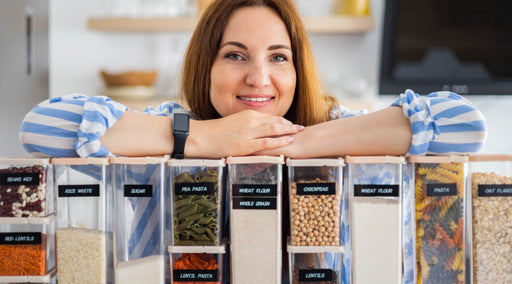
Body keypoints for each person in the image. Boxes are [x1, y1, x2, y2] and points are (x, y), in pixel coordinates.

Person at [19, 0, 487, 159]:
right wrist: (201, 138)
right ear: (206, 66)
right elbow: (40, 127)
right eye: (235, 54)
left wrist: (297, 142)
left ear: (298, 71)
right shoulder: (175, 127)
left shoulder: (334, 125)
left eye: (279, 57)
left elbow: (464, 124)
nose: (259, 77)